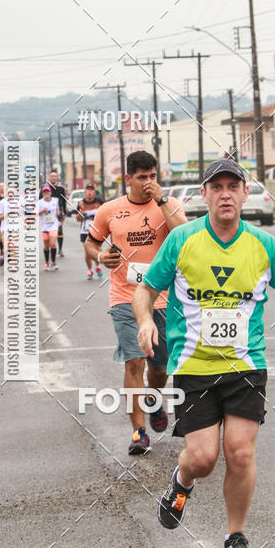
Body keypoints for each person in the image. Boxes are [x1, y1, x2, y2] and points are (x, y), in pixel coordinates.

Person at [133, 158, 275, 548]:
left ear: (244, 192)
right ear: (205, 195)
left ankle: (235, 537)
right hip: (193, 367)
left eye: (232, 186)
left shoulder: (262, 245)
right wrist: (145, 320)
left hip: (245, 366)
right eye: (216, 187)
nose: (225, 194)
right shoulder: (182, 239)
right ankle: (180, 483)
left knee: (239, 453)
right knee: (202, 459)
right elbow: (145, 289)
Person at [85, 151, 187, 455]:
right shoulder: (109, 210)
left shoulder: (168, 205)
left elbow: (185, 236)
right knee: (135, 361)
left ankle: (154, 401)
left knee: (160, 366)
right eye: (142, 177)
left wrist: (163, 200)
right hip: (124, 297)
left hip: (164, 299)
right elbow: (91, 243)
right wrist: (100, 256)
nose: (148, 182)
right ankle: (138, 432)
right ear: (128, 178)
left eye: (152, 176)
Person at [76, 183, 104, 279]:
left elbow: (105, 215)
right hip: (84, 231)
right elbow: (78, 219)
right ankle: (90, 270)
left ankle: (97, 266)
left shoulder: (99, 201)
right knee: (88, 251)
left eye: (91, 190)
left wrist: (99, 209)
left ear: (94, 192)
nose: (89, 192)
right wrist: (81, 210)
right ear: (85, 192)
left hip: (97, 231)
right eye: (87, 190)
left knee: (96, 250)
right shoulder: (81, 203)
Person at [40, 170, 67, 257]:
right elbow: (39, 200)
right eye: (52, 176)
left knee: (59, 230)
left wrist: (64, 213)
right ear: (49, 177)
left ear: (57, 177)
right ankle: (50, 247)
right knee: (48, 231)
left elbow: (64, 201)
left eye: (55, 176)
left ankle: (60, 250)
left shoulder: (61, 189)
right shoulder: (45, 188)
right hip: (47, 213)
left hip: (58, 213)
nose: (53, 178)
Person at [38, 184, 60, 270]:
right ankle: (47, 262)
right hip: (44, 226)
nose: (46, 193)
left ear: (50, 192)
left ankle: (53, 262)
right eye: (44, 192)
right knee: (46, 245)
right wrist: (42, 211)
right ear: (42, 193)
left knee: (53, 243)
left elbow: (58, 211)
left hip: (54, 225)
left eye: (48, 191)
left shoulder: (55, 200)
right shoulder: (40, 202)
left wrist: (59, 216)